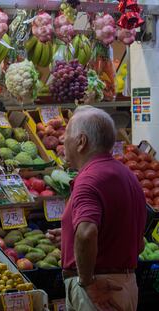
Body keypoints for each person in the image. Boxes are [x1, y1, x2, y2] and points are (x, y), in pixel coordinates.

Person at [46, 106, 146, 311]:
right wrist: (69, 235)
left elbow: (87, 232)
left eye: (67, 136)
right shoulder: (127, 176)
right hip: (125, 285)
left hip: (99, 289)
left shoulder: (88, 179)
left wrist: (87, 281)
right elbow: (140, 243)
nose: (63, 142)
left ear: (81, 142)